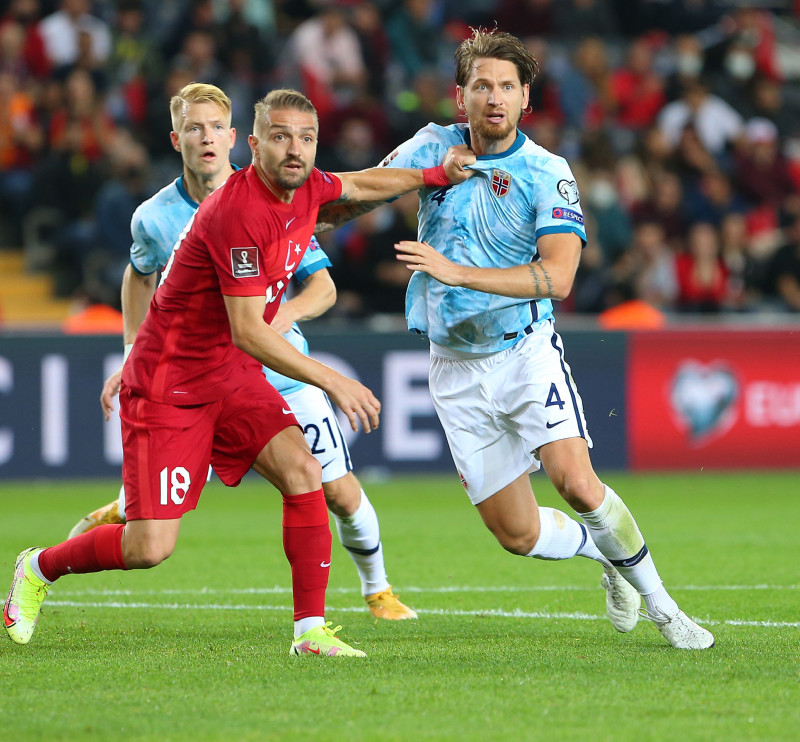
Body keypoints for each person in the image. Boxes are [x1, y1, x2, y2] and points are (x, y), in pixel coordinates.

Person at [4, 87, 474, 656]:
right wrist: (335, 379)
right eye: (280, 137)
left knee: (304, 473)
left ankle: (311, 632)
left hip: (228, 374)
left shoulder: (303, 187)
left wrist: (432, 176)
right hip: (169, 384)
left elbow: (358, 183)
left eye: (305, 139)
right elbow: (250, 329)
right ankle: (38, 568)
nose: (294, 150)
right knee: (148, 547)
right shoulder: (238, 211)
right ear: (252, 145)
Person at [350, 28, 713, 649]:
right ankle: (605, 560)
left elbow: (562, 277)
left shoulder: (546, 171)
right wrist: (311, 206)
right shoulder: (431, 146)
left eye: (508, 87)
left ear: (526, 99)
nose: (495, 98)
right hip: (453, 364)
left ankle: (664, 606)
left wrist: (458, 273)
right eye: (481, 86)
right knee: (515, 534)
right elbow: (356, 192)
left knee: (575, 481)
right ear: (459, 96)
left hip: (524, 351)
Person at [70, 82, 416, 622]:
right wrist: (133, 350)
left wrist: (286, 315)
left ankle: (376, 591)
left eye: (215, 127)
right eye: (193, 127)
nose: (206, 138)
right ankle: (109, 527)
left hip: (279, 373)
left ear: (236, 139)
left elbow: (321, 284)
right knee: (151, 539)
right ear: (176, 138)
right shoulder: (154, 217)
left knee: (337, 491)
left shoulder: (278, 190)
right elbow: (139, 278)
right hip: (193, 378)